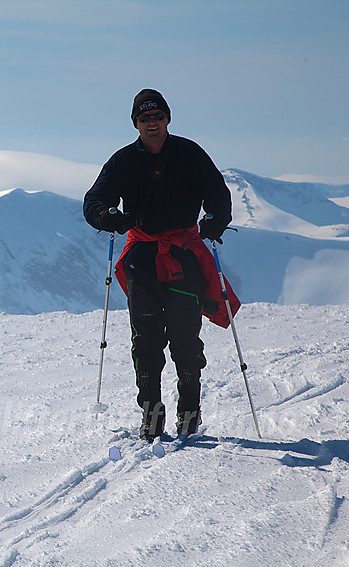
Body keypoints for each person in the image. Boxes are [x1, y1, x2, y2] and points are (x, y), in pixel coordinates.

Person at [83, 88, 239, 441]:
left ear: (167, 119)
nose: (151, 124)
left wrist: (216, 219)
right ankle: (152, 417)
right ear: (136, 124)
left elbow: (217, 192)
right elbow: (94, 200)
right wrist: (107, 215)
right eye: (144, 119)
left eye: (157, 117)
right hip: (143, 260)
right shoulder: (122, 162)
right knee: (147, 342)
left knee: (185, 339)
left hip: (182, 255)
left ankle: (188, 415)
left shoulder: (189, 154)